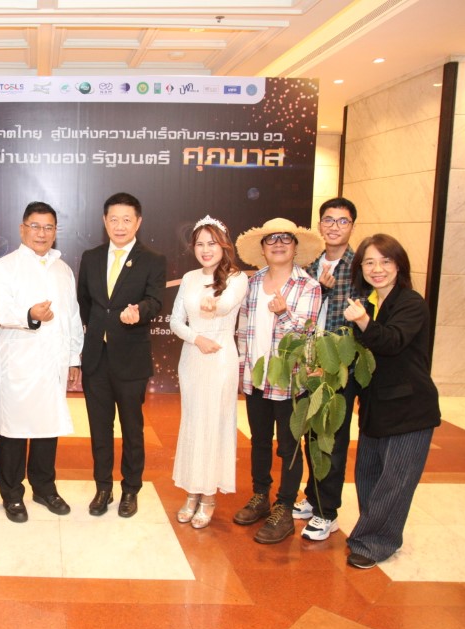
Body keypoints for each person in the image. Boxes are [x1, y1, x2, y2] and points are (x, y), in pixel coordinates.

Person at [342, 234, 440, 569]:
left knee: (395, 482)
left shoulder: (410, 303)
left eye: (385, 261)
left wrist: (362, 322)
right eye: (369, 262)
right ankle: (373, 532)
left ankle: (377, 542)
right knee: (368, 474)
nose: (377, 268)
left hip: (409, 408)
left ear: (399, 265)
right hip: (376, 406)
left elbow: (392, 341)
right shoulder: (369, 303)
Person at [0, 202, 84, 524]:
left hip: (53, 363)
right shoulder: (4, 267)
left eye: (48, 227)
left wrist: (73, 358)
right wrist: (29, 315)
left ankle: (44, 488)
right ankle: (12, 493)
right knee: (14, 432)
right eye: (35, 226)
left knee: (47, 427)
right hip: (18, 364)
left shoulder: (63, 269)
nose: (42, 233)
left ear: (55, 231)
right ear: (22, 228)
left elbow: (72, 316)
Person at [233, 218, 322, 544]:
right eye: (271, 239)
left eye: (286, 238)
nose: (279, 244)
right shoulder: (253, 282)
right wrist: (241, 370)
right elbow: (243, 330)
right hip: (257, 379)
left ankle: (284, 507)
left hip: (291, 382)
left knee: (289, 447)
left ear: (295, 247)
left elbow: (306, 333)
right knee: (259, 440)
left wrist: (283, 312)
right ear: (263, 248)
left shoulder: (308, 286)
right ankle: (260, 496)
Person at [77, 193, 166, 519]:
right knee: (99, 430)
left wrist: (139, 311)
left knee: (132, 429)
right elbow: (84, 303)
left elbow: (155, 301)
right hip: (96, 359)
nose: (119, 226)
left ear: (138, 223)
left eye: (126, 219)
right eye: (113, 219)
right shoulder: (91, 257)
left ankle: (131, 489)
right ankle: (103, 487)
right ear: (104, 221)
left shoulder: (153, 260)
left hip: (131, 359)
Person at [170, 216, 247, 528]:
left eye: (212, 243)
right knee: (193, 423)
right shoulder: (189, 278)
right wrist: (196, 338)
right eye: (200, 244)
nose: (205, 249)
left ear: (224, 245)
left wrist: (212, 305)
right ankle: (192, 492)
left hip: (220, 359)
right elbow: (176, 321)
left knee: (215, 424)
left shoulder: (237, 278)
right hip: (193, 356)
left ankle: (209, 496)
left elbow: (225, 305)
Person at [293, 197, 359, 541]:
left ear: (352, 226)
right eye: (329, 220)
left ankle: (327, 511)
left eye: (342, 221)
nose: (335, 226)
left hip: (337, 366)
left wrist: (336, 364)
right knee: (311, 434)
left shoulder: (358, 267)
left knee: (331, 436)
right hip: (309, 361)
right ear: (319, 224)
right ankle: (313, 494)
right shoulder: (310, 264)